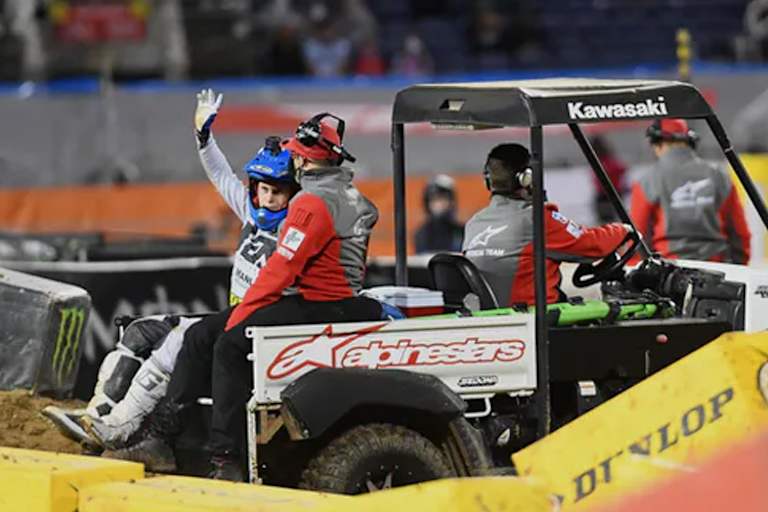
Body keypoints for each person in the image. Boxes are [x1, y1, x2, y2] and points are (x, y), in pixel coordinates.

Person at [104, 113, 383, 481]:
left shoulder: (311, 202)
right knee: (200, 334)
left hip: (318, 304)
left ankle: (225, 459)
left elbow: (282, 270)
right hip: (331, 301)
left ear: (301, 159)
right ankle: (162, 439)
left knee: (229, 345)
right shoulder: (352, 197)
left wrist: (241, 315)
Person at [43, 89, 299, 460]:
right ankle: (97, 415)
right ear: (255, 189)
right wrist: (203, 137)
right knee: (140, 330)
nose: (271, 199)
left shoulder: (297, 229)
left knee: (176, 340)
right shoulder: (248, 210)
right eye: (265, 190)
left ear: (292, 194)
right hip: (230, 319)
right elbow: (219, 174)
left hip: (255, 332)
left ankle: (121, 428)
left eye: (279, 192)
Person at [463, 143, 631, 306]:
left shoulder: (473, 223)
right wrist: (623, 230)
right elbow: (591, 245)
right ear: (526, 178)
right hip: (537, 320)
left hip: (493, 319)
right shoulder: (536, 218)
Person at [630, 119, 751, 264]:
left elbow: (638, 235)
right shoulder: (719, 177)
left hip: (670, 269)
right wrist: (740, 265)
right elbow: (739, 231)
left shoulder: (647, 181)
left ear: (658, 144)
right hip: (717, 266)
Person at [414, 174, 464, 254]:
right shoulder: (421, 234)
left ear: (452, 202)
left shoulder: (461, 232)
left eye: (442, 199)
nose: (438, 205)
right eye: (434, 200)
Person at [589, 135, 628, 223]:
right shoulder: (608, 161)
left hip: (606, 196)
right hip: (611, 194)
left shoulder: (603, 162)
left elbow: (622, 170)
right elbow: (623, 170)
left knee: (606, 223)